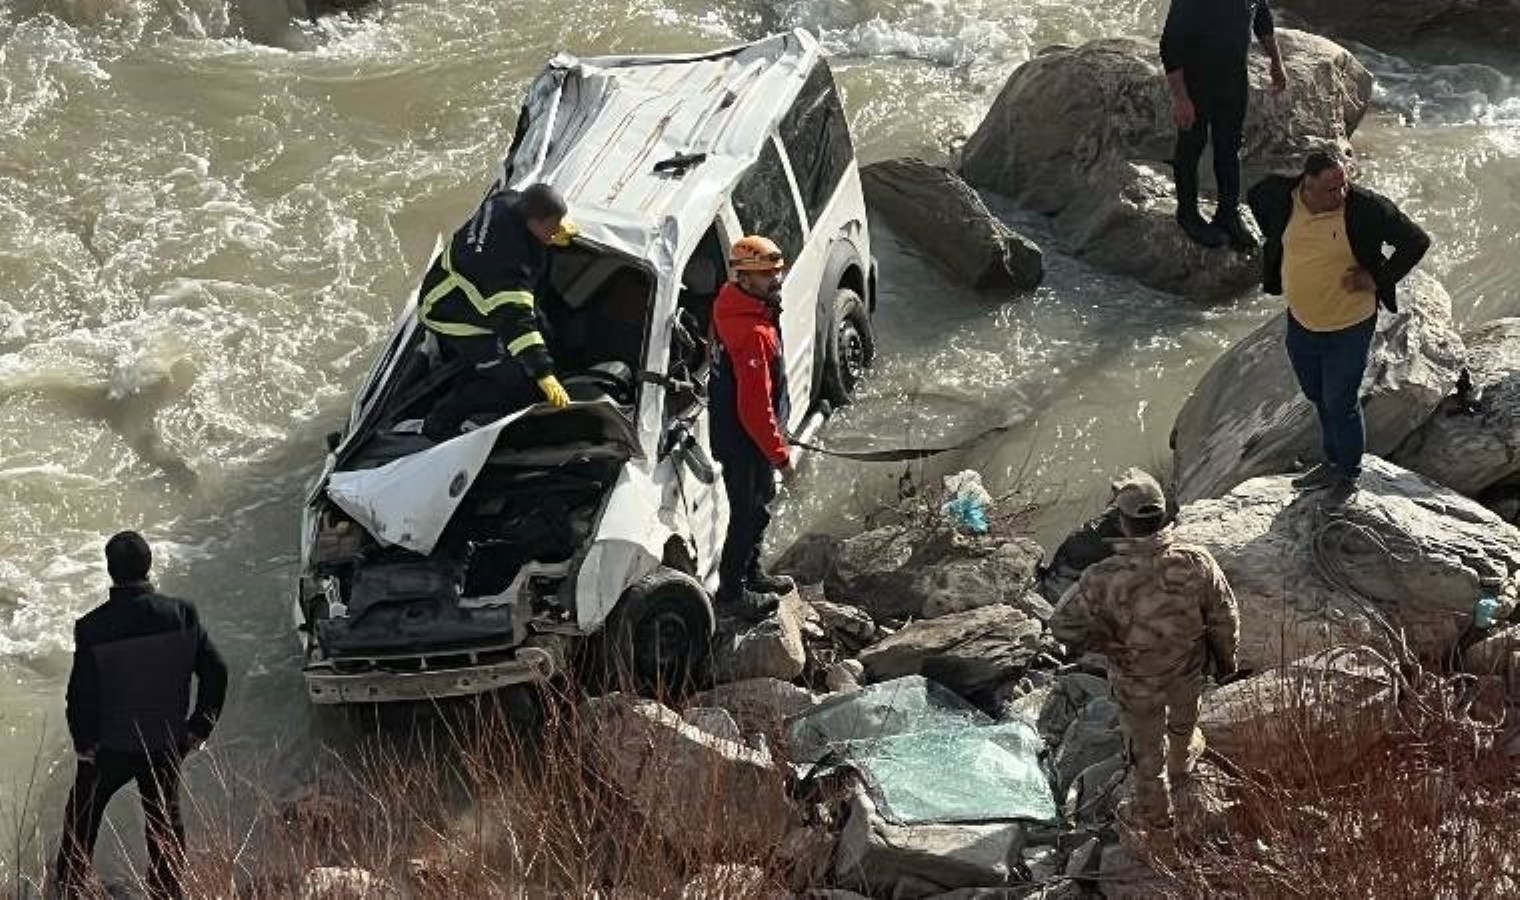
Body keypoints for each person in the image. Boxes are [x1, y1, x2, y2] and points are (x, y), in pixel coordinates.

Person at [1050, 470, 1239, 831]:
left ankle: (1159, 829)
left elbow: (1062, 625)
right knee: (1184, 726)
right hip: (1187, 672)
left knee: (1147, 759)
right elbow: (1224, 616)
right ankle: (1182, 770)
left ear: (1122, 522)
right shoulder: (1196, 561)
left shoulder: (1101, 576)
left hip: (1136, 683)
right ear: (1163, 515)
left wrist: (1107, 645)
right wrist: (1226, 662)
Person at [1248, 152, 1431, 499]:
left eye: (1344, 184)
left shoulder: (1365, 207)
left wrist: (1377, 277)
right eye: (1331, 189)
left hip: (1350, 324)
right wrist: (1274, 242)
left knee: (1341, 401)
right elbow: (1254, 198)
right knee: (1317, 395)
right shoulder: (1278, 194)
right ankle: (1331, 463)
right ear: (1308, 184)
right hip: (1302, 321)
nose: (1341, 194)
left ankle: (1348, 475)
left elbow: (1416, 241)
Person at [55, 532, 228, 899]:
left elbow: (80, 694)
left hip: (108, 747)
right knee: (164, 824)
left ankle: (69, 888)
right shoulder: (182, 614)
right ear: (149, 566)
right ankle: (166, 892)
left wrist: (83, 742)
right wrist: (199, 727)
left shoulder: (92, 627)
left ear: (110, 570)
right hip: (164, 742)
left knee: (81, 823)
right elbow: (216, 671)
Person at [418, 182, 578, 440]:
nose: (557, 229)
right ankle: (440, 419)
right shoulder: (505, 268)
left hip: (473, 288)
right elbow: (516, 323)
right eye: (552, 225)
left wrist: (552, 232)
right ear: (534, 221)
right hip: (452, 314)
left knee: (544, 331)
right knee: (509, 381)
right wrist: (543, 374)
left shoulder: (508, 200)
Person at [710, 235, 797, 619]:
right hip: (744, 440)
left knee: (760, 502)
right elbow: (754, 407)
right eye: (766, 275)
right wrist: (781, 457)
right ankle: (731, 592)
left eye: (777, 271)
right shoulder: (751, 333)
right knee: (747, 514)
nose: (776, 279)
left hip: (745, 435)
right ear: (744, 278)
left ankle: (752, 573)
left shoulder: (735, 304)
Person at [1161, 0, 1286, 250]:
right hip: (1196, 79)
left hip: (1234, 77)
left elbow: (1261, 16)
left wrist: (1276, 62)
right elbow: (1169, 44)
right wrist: (1181, 98)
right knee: (1192, 146)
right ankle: (1187, 214)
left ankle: (1228, 214)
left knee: (1230, 147)